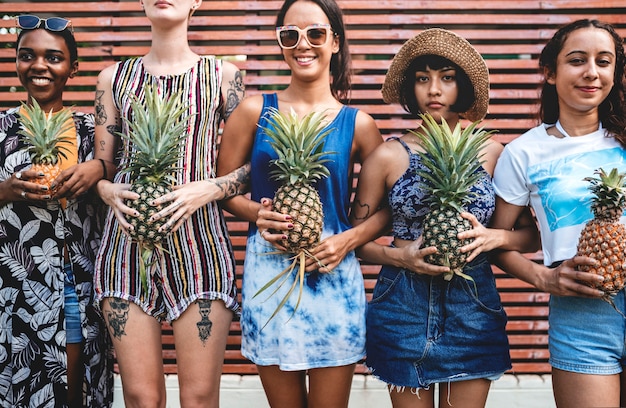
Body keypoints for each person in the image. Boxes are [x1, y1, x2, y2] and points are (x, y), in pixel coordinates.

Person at [349, 28, 540, 408]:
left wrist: (494, 238)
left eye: (446, 78)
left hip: (472, 302)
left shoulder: (492, 152)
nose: (434, 90)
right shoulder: (389, 156)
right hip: (401, 302)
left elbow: (530, 236)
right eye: (423, 79)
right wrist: (399, 256)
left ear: (463, 86)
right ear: (410, 88)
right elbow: (356, 241)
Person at [216, 0, 383, 406]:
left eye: (316, 33)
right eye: (290, 35)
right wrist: (259, 213)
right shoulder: (254, 111)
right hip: (268, 274)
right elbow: (224, 191)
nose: (302, 44)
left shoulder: (358, 124)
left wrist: (347, 240)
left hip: (333, 272)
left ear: (335, 42)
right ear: (280, 43)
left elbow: (386, 209)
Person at [92, 0, 248, 406]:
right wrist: (105, 190)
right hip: (126, 241)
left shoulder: (224, 76)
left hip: (201, 243)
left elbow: (254, 165)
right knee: (142, 398)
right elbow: (101, 167)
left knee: (198, 398)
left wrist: (211, 188)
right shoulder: (112, 78)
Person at [490, 19, 626, 408]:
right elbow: (497, 241)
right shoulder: (523, 152)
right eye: (577, 60)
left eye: (604, 61)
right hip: (582, 309)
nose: (591, 73)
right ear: (550, 72)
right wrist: (543, 278)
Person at [0, 15, 113, 407]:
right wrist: (7, 190)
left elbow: (120, 177)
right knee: (23, 380)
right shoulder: (1, 128)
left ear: (72, 67)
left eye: (53, 57)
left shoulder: (91, 132)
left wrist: (99, 167)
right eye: (27, 55)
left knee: (77, 380)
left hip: (78, 281)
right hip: (17, 285)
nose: (40, 66)